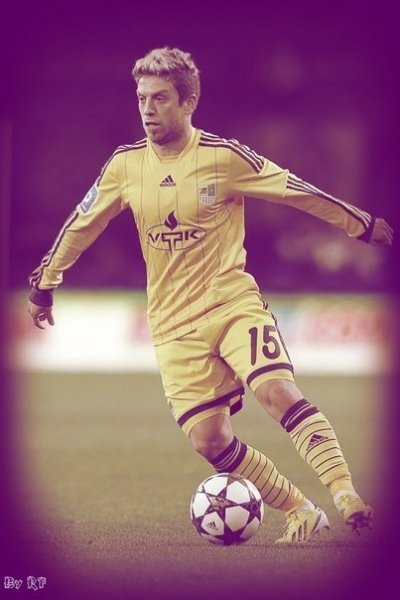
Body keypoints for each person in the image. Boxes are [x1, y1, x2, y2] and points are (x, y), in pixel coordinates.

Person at [27, 47, 394, 543]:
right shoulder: (125, 165)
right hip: (172, 324)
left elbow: (295, 190)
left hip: (231, 304)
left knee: (277, 391)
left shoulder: (224, 157)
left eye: (160, 98)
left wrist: (359, 224)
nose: (147, 109)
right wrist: (46, 281)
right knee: (209, 440)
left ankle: (346, 495)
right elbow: (81, 224)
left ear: (188, 102)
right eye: (142, 98)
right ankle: (300, 509)